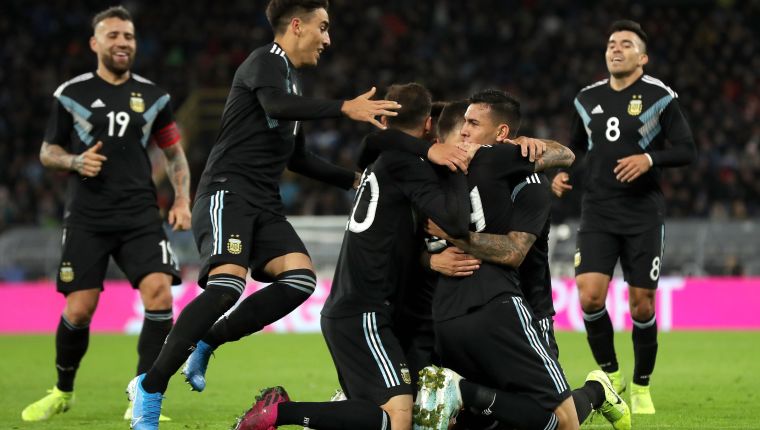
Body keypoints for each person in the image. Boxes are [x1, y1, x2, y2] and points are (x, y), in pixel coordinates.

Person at [127, 1, 403, 428]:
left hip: (264, 203)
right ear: (297, 25)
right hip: (227, 192)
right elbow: (274, 105)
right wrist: (343, 107)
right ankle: (149, 386)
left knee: (300, 280)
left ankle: (208, 340)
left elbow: (299, 159)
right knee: (226, 287)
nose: (327, 39)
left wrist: (354, 179)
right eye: (323, 27)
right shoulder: (264, 62)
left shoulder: (291, 83)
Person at [232, 82, 473, 430]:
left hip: (357, 307)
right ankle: (280, 412)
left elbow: (371, 143)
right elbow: (456, 223)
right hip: (365, 310)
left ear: (385, 120)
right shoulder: (406, 165)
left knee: (381, 414)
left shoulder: (381, 158)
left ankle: (292, 410)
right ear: (426, 126)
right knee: (398, 415)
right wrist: (456, 164)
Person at [415, 90, 629, 430]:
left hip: (528, 306)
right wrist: (430, 260)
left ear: (501, 134)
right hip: (474, 306)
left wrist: (529, 146)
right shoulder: (447, 173)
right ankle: (470, 395)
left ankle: (596, 391)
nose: (465, 134)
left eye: (473, 124)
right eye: (463, 125)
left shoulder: (527, 180)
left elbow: (516, 251)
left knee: (549, 417)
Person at [21, 5, 190, 423]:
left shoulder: (155, 97)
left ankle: (144, 397)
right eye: (113, 35)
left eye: (128, 36)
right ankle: (63, 390)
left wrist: (182, 200)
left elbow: (174, 154)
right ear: (95, 43)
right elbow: (47, 151)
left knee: (160, 294)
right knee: (80, 309)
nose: (122, 42)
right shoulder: (71, 94)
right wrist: (75, 162)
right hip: (88, 216)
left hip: (140, 214)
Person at [551, 19, 696, 414]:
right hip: (597, 210)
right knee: (589, 296)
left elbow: (687, 150)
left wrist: (649, 159)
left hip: (642, 212)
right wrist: (563, 173)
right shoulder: (586, 99)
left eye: (626, 44)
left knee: (642, 306)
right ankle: (611, 374)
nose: (616, 48)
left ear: (642, 58)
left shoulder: (660, 97)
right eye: (611, 43)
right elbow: (576, 148)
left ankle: (641, 385)